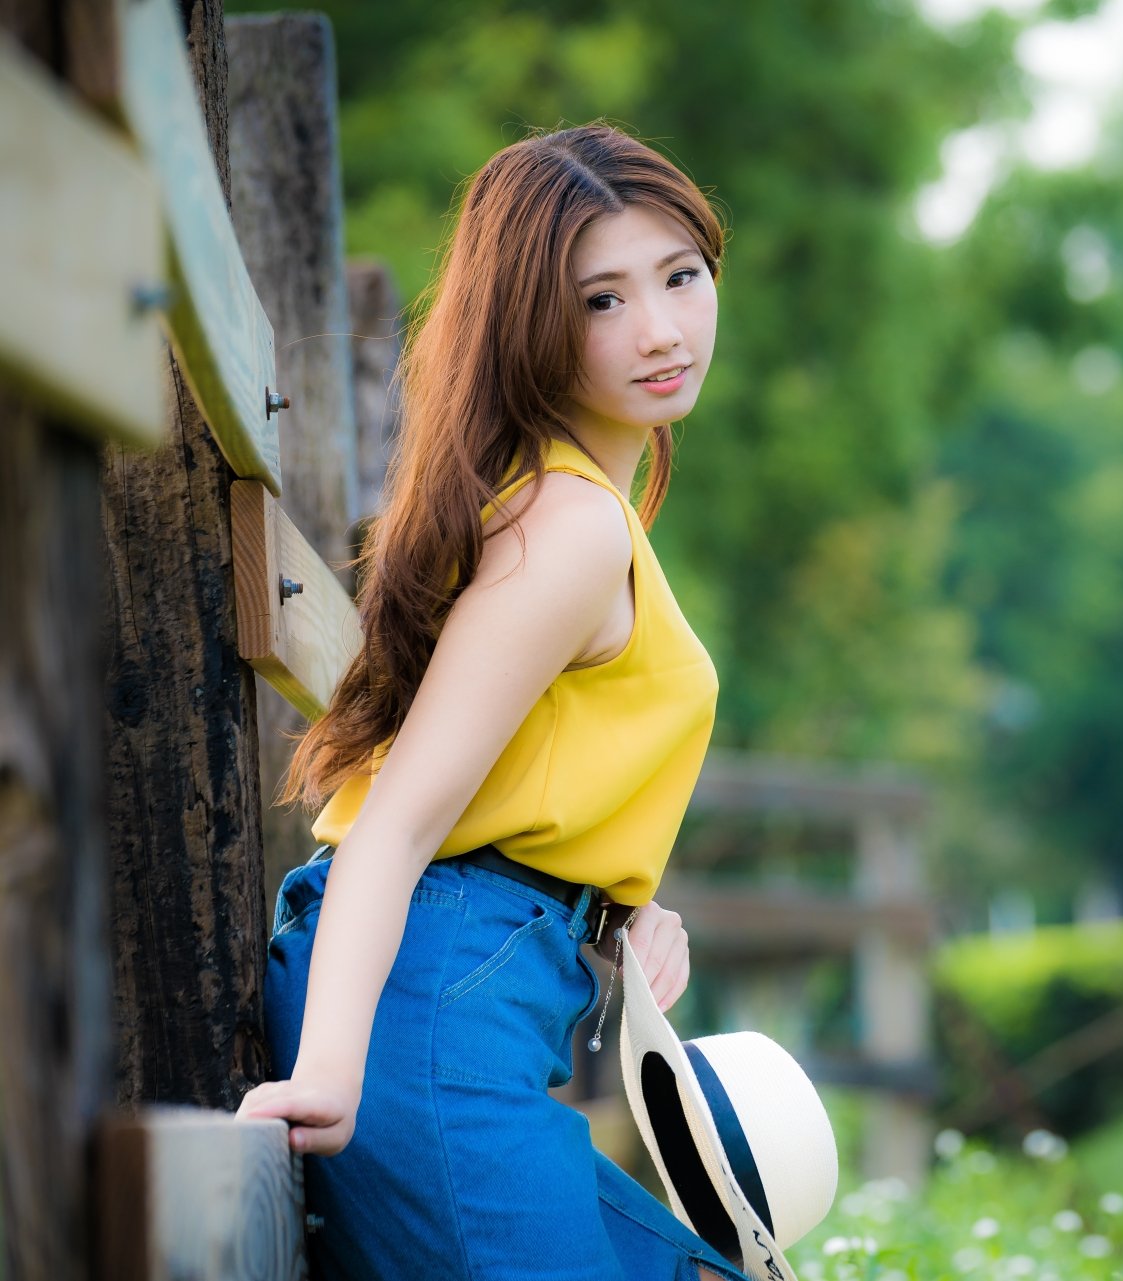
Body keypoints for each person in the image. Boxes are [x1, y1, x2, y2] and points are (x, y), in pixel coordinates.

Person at [235, 123, 748, 1281]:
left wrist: (621, 908)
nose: (661, 330)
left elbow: (521, 788)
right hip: (422, 1017)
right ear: (529, 323)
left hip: (475, 991)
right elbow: (401, 822)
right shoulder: (564, 526)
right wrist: (329, 1071)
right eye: (602, 300)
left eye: (681, 276)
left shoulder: (582, 512)